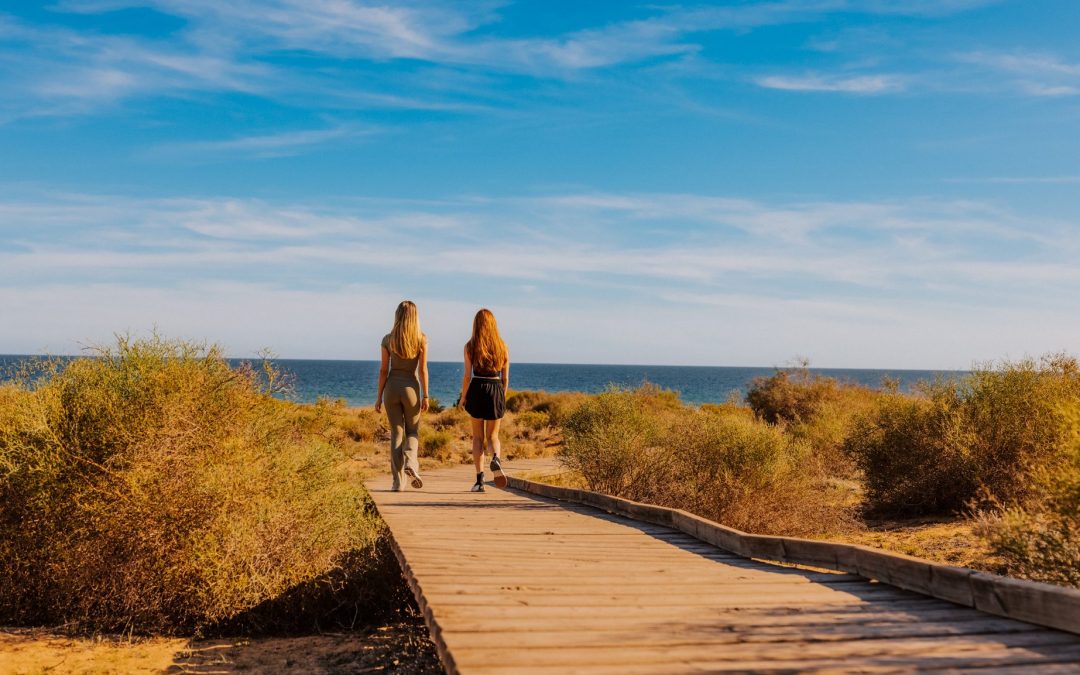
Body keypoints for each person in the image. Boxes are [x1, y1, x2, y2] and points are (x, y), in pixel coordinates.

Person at [375, 300, 429, 491]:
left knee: (396, 434)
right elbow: (422, 370)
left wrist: (379, 396)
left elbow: (383, 370)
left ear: (397, 316)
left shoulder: (387, 340)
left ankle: (398, 482)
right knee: (412, 431)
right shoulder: (421, 339)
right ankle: (411, 463)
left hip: (392, 387)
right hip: (411, 389)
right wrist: (426, 396)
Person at [458, 308, 509, 492]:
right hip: (496, 388)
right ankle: (496, 458)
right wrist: (501, 396)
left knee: (478, 437)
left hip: (477, 388)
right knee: (493, 436)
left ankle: (479, 481)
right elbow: (505, 378)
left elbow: (466, 376)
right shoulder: (502, 346)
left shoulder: (470, 346)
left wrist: (463, 398)